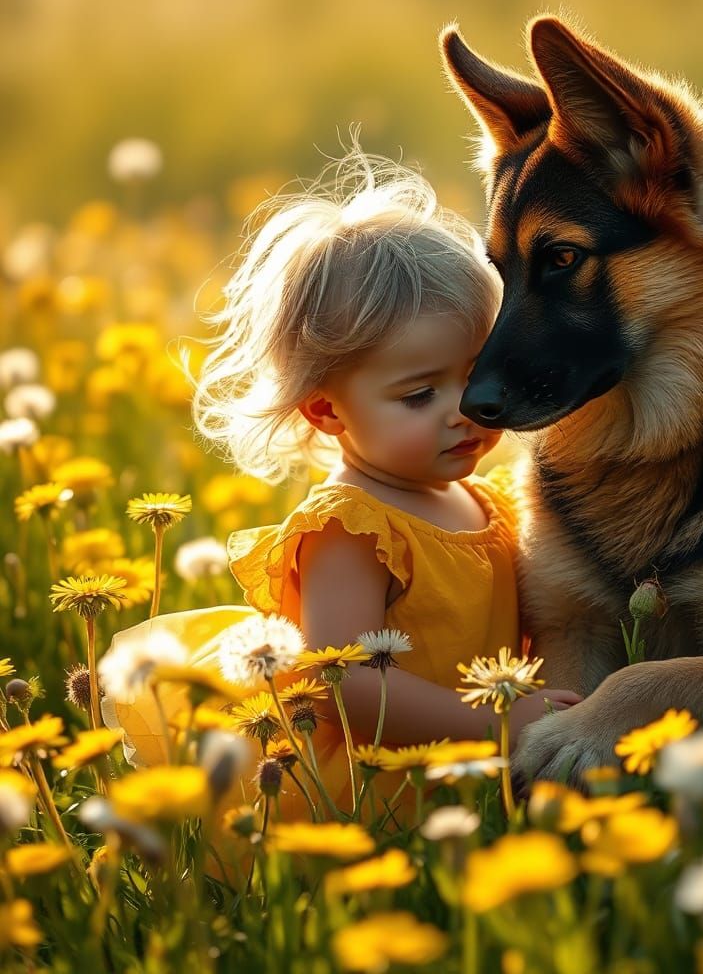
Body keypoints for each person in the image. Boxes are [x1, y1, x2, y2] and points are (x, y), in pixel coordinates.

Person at [101, 150, 581, 829]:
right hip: (376, 789)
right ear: (326, 412)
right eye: (419, 395)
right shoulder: (351, 529)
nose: (462, 410)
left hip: (470, 766)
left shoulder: (488, 502)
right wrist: (500, 723)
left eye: (476, 378)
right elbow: (347, 685)